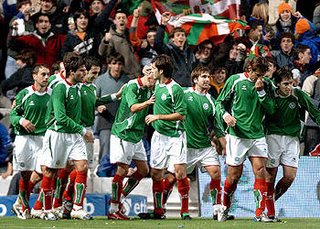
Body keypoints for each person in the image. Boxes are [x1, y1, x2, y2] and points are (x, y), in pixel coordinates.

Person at [216, 56, 275, 222]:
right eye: (257, 74)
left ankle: (259, 213)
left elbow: (271, 110)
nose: (259, 78)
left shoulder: (267, 85)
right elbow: (219, 103)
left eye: (263, 75)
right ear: (249, 69)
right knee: (234, 176)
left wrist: (261, 91)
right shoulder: (235, 80)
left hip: (257, 136)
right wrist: (226, 115)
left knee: (260, 171)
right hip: (237, 136)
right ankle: (224, 208)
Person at [38, 53, 94, 220]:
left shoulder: (78, 86)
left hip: (73, 135)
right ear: (71, 71)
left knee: (82, 167)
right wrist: (83, 130)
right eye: (81, 71)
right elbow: (61, 118)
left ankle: (77, 208)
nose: (84, 74)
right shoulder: (60, 88)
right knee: (50, 172)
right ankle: (46, 210)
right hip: (57, 134)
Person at [264, 68, 320, 221]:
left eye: (291, 83)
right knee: (270, 177)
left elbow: (314, 110)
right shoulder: (271, 95)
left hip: (292, 138)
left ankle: (269, 203)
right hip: (272, 136)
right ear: (277, 84)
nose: (289, 87)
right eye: (285, 84)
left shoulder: (297, 94)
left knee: (289, 176)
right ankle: (268, 211)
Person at [140, 54, 190, 220]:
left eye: (154, 68)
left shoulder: (175, 88)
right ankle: (159, 211)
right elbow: (145, 78)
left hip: (176, 136)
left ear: (161, 71)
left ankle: (184, 211)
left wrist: (158, 117)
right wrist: (146, 70)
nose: (152, 71)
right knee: (155, 174)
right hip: (159, 137)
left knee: (180, 173)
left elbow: (181, 115)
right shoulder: (156, 84)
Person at [107, 64, 156, 220]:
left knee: (143, 170)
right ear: (146, 75)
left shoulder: (150, 88)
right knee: (122, 170)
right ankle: (113, 208)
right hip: (123, 133)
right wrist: (148, 103)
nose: (155, 82)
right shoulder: (132, 86)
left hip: (136, 135)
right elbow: (134, 107)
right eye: (153, 78)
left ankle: (120, 197)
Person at [9, 64, 51, 219]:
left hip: (43, 138)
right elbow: (13, 115)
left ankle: (41, 209)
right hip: (24, 139)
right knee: (26, 175)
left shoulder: (52, 94)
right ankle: (25, 207)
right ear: (34, 76)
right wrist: (21, 121)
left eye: (48, 75)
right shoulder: (24, 94)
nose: (46, 77)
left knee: (44, 171)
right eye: (43, 74)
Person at [94, 53, 130, 162]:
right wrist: (98, 107)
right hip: (105, 119)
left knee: (121, 150)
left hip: (121, 119)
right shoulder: (100, 80)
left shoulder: (127, 80)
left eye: (119, 64)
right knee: (105, 146)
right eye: (114, 63)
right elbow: (94, 99)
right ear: (109, 65)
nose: (117, 67)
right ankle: (102, 170)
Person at [153, 12, 195, 87]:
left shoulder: (190, 52)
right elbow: (157, 44)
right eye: (178, 35)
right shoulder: (168, 51)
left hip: (189, 88)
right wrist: (163, 25)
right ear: (172, 39)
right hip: (173, 88)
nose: (181, 37)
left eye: (183, 35)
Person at [98, 8, 140, 78]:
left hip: (136, 72)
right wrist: (105, 41)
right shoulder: (110, 37)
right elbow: (102, 53)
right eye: (119, 18)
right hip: (122, 76)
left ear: (127, 20)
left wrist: (135, 17)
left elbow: (133, 30)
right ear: (114, 21)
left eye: (123, 18)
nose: (121, 19)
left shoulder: (128, 34)